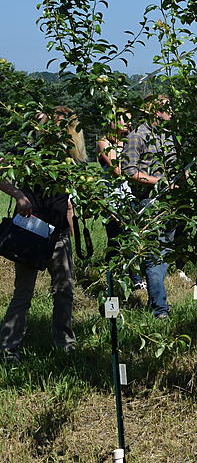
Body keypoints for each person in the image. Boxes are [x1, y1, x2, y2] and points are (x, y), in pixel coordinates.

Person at [0, 107, 87, 363]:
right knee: (23, 293)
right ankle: (8, 348)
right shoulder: (29, 147)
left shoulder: (70, 154)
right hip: (31, 230)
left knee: (64, 289)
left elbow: (73, 190)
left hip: (59, 232)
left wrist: (72, 213)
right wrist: (18, 195)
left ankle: (65, 343)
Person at [121, 94, 175, 319]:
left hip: (170, 201)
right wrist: (160, 182)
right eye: (167, 108)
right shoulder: (137, 136)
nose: (172, 111)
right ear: (155, 111)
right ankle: (160, 309)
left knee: (165, 250)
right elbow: (130, 171)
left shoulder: (168, 136)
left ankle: (156, 302)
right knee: (155, 254)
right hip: (149, 202)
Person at [96, 110, 144, 291]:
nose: (127, 124)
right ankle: (111, 278)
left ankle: (135, 278)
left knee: (132, 236)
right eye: (123, 120)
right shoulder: (104, 143)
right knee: (115, 238)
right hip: (113, 197)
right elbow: (117, 170)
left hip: (129, 195)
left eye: (129, 121)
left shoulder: (128, 142)